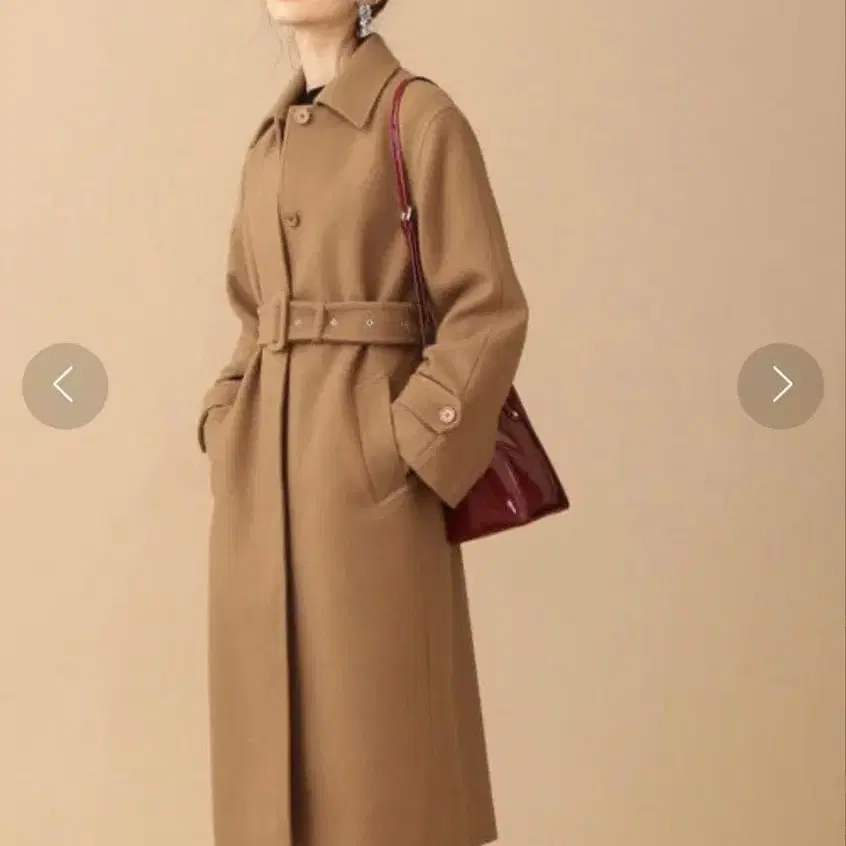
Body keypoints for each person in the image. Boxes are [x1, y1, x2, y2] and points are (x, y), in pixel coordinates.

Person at [197, 1, 529, 843]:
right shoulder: (267, 145)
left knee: (382, 775)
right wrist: (224, 419)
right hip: (259, 497)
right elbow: (251, 310)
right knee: (268, 775)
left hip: (368, 493)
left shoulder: (420, 118)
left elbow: (487, 311)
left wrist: (403, 444)